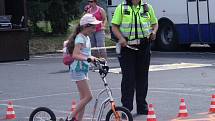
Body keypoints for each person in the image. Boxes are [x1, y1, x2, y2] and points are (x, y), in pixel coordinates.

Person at [111, 0, 158, 115]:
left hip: (144, 46)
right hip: (127, 47)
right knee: (129, 78)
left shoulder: (147, 7)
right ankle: (126, 108)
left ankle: (142, 106)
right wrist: (121, 38)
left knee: (142, 77)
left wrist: (154, 32)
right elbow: (114, 26)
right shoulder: (122, 8)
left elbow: (155, 23)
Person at [65, 13, 101, 121]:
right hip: (77, 69)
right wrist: (88, 59)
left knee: (83, 98)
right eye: (93, 27)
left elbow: (85, 54)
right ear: (85, 26)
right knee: (88, 97)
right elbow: (75, 55)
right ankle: (70, 118)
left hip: (83, 69)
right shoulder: (80, 38)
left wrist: (96, 59)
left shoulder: (86, 38)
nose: (94, 29)